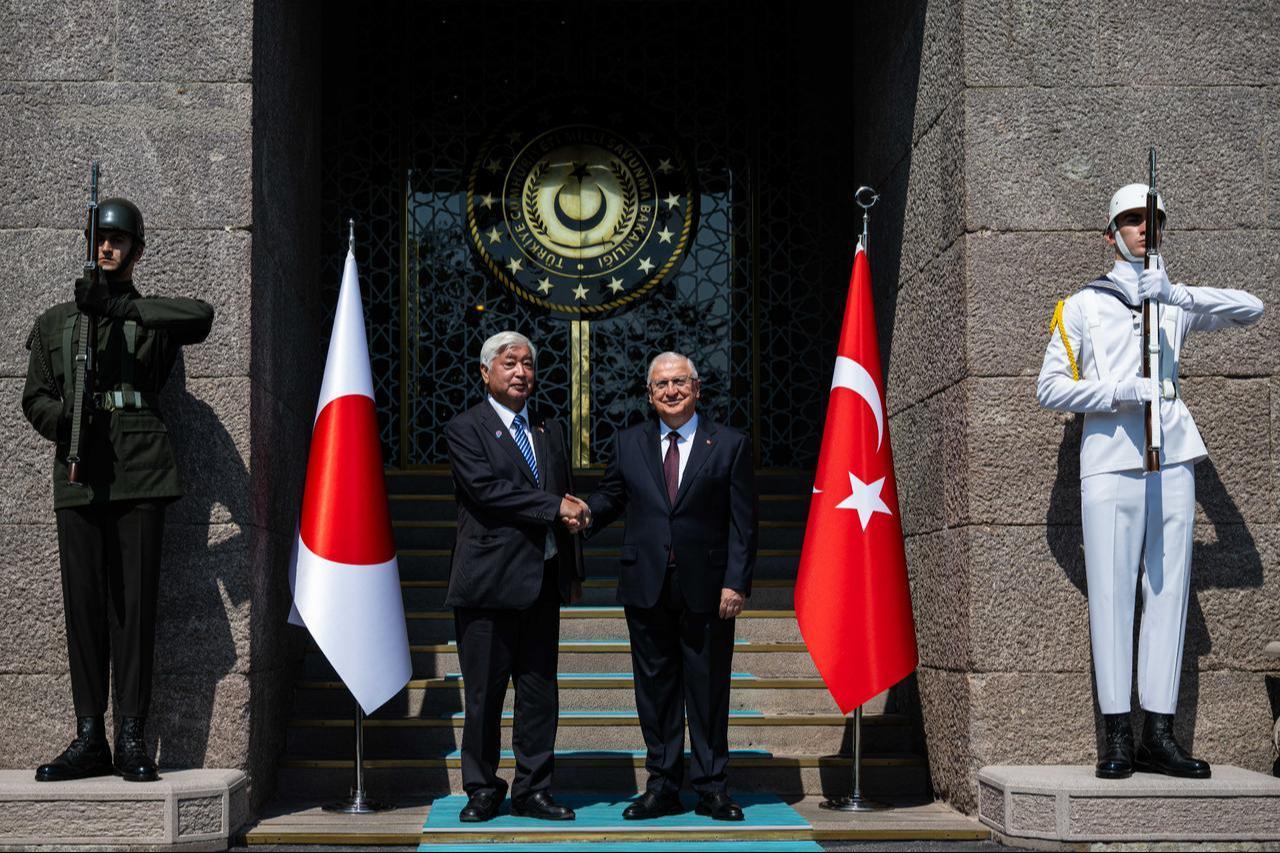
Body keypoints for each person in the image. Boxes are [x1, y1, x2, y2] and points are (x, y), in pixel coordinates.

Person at [1037, 183, 1263, 780]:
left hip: (1174, 461)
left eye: (1152, 220)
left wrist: (1177, 291)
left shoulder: (1173, 300)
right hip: (1111, 459)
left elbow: (1253, 308)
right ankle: (1116, 735)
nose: (1144, 229)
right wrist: (1118, 392)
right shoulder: (1081, 305)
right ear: (1109, 234)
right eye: (1132, 221)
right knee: (1112, 597)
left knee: (1168, 593)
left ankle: (1157, 735)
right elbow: (1050, 388)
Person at [22, 197, 215, 782]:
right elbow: (35, 397)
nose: (107, 247)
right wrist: (67, 422)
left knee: (133, 605)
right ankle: (90, 736)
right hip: (80, 470)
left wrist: (117, 308)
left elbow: (200, 317)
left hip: (140, 467)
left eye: (118, 240)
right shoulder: (57, 321)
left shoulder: (149, 315)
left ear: (136, 249)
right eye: (99, 239)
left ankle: (132, 734)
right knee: (84, 608)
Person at [585, 352, 757, 820]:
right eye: (661, 385)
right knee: (656, 691)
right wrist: (582, 513)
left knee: (707, 690)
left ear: (697, 388)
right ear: (649, 394)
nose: (671, 391)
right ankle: (661, 786)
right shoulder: (628, 443)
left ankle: (712, 787)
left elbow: (744, 522)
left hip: (708, 588)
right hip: (646, 586)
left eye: (679, 382)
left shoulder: (729, 444)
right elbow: (612, 497)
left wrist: (736, 582)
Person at [444, 330, 588, 822]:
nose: (522, 372)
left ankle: (533, 789)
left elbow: (563, 492)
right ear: (486, 373)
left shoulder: (549, 429)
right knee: (485, 694)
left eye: (528, 363)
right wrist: (555, 506)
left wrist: (574, 558)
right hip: (488, 584)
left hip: (542, 581)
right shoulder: (466, 428)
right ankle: (482, 788)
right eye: (510, 363)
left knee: (539, 693)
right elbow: (487, 492)